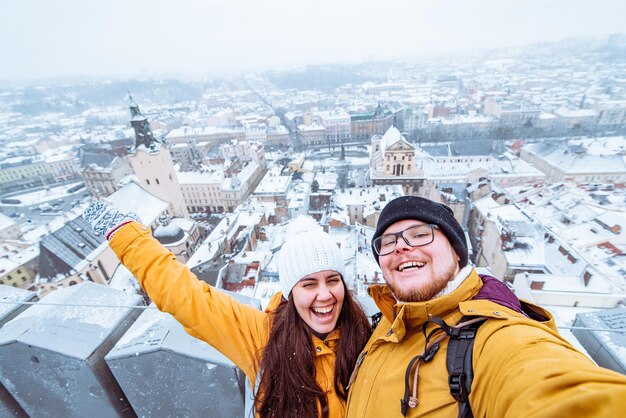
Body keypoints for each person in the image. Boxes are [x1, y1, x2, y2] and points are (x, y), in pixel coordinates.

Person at [345, 195, 626, 417]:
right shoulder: (389, 317)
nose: (401, 247)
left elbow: (555, 389)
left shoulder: (494, 337)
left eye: (420, 234)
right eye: (388, 242)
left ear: (456, 252)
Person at [82, 202, 371, 418]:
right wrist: (128, 238)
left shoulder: (368, 336)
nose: (325, 295)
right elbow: (184, 296)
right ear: (289, 293)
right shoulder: (263, 338)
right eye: (308, 284)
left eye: (333, 280)